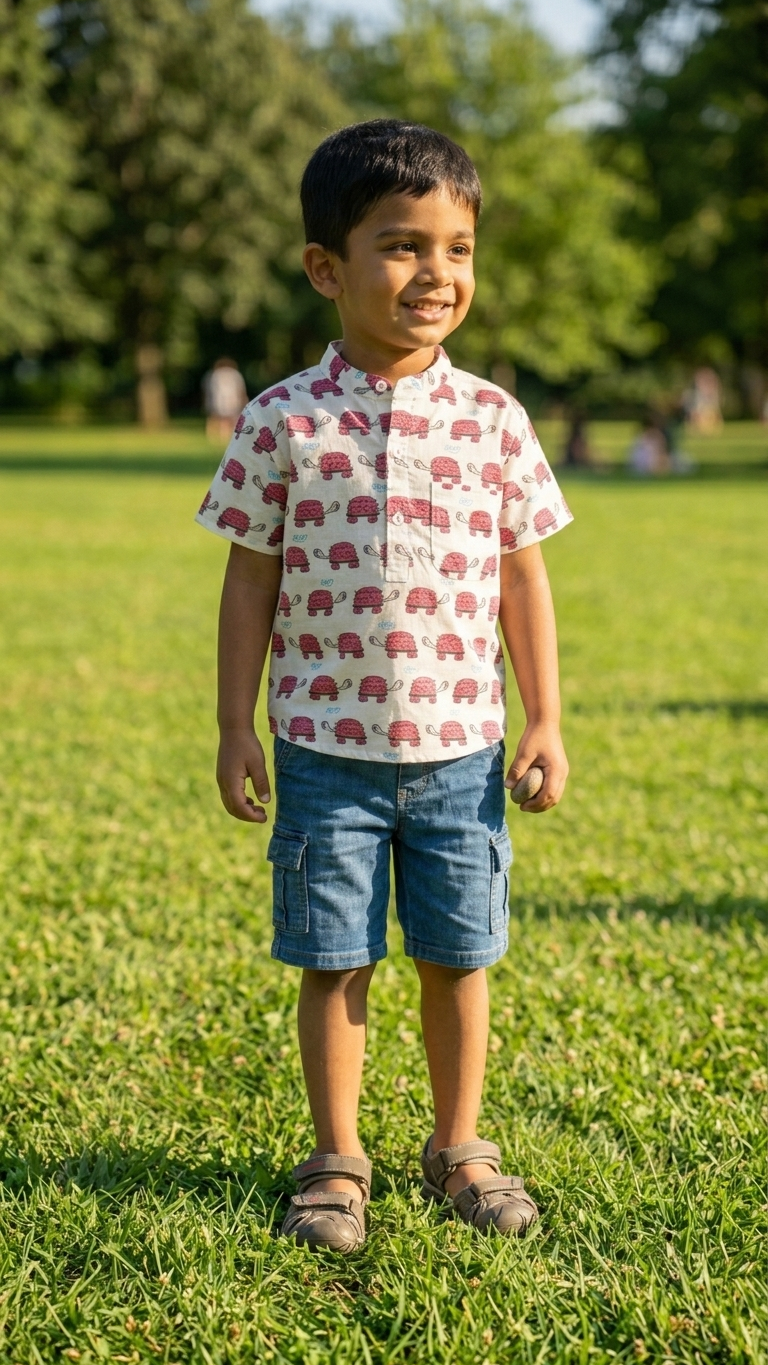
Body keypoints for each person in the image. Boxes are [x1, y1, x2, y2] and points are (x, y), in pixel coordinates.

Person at [195, 120, 572, 1252]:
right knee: (334, 958)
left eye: (458, 249)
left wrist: (547, 714)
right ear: (328, 267)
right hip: (323, 751)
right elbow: (248, 583)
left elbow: (523, 581)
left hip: (461, 753)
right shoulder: (282, 423)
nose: (437, 274)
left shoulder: (495, 420)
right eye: (403, 247)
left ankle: (461, 1144)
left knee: (460, 957)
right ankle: (337, 1156)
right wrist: (232, 723)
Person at [202, 357, 248, 444]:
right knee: (229, 420)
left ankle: (212, 437)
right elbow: (240, 389)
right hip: (232, 400)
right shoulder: (235, 374)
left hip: (216, 400)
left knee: (215, 418)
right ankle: (227, 437)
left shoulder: (213, 374)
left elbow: (207, 390)